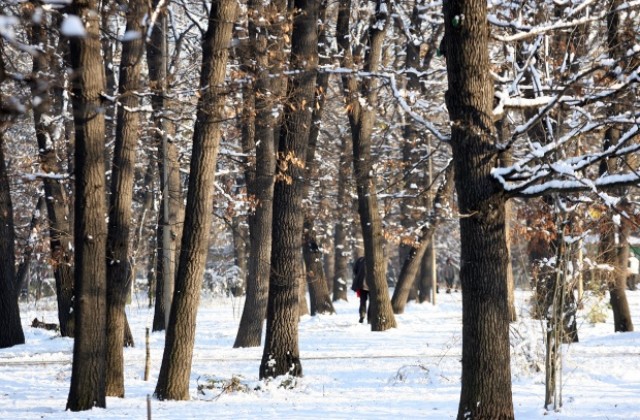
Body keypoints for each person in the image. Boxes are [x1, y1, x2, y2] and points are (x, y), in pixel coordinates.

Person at [351, 256, 370, 323]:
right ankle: (370, 318)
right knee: (372, 302)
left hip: (361, 284)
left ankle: (362, 315)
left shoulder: (360, 260)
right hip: (372, 284)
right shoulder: (376, 259)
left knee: (362, 301)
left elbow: (355, 270)